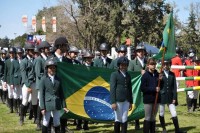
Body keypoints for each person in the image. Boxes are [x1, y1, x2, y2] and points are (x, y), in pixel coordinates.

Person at [40, 58, 68, 133]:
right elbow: (41, 94)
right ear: (47, 69)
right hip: (47, 104)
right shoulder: (43, 79)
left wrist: (64, 106)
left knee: (57, 122)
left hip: (57, 103)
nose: (52, 69)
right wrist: (42, 107)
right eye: (50, 68)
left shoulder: (58, 79)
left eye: (53, 67)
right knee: (45, 122)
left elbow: (61, 93)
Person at [159, 60, 186, 133]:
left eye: (167, 64)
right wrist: (159, 79)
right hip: (162, 96)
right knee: (161, 113)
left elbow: (174, 87)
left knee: (174, 113)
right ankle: (164, 129)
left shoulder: (172, 74)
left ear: (169, 65)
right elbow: (157, 85)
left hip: (170, 96)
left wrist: (174, 98)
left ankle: (177, 130)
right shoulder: (160, 74)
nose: (165, 66)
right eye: (164, 64)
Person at [110, 56, 133, 133]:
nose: (123, 66)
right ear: (119, 65)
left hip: (126, 100)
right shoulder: (114, 74)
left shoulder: (128, 75)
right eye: (122, 65)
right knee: (118, 118)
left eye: (125, 65)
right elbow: (112, 88)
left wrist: (131, 101)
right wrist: (113, 102)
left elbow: (130, 89)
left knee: (124, 118)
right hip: (118, 100)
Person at [128, 43, 147, 130]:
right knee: (137, 104)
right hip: (136, 87)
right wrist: (139, 73)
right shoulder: (132, 62)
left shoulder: (147, 62)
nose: (141, 53)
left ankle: (146, 122)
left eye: (142, 51)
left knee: (145, 104)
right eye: (139, 51)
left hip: (146, 86)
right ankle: (137, 122)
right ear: (136, 53)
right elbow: (130, 74)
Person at [140, 58, 160, 133]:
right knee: (148, 117)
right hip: (148, 99)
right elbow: (143, 88)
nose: (153, 66)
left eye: (154, 64)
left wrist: (161, 80)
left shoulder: (158, 74)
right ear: (148, 65)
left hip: (156, 99)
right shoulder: (145, 75)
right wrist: (154, 89)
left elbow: (160, 85)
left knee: (153, 117)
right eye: (152, 64)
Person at [19, 42, 37, 126]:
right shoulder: (23, 61)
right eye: (31, 50)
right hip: (27, 84)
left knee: (34, 101)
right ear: (27, 51)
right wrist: (28, 85)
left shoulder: (35, 60)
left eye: (33, 50)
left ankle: (36, 118)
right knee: (25, 101)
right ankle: (21, 118)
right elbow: (23, 75)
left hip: (34, 83)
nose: (33, 51)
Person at [184, 48, 199, 112]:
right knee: (190, 95)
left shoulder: (198, 66)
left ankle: (194, 107)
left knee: (195, 96)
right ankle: (189, 107)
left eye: (197, 61)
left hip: (197, 83)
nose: (196, 62)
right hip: (190, 83)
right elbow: (188, 74)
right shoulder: (189, 64)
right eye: (195, 61)